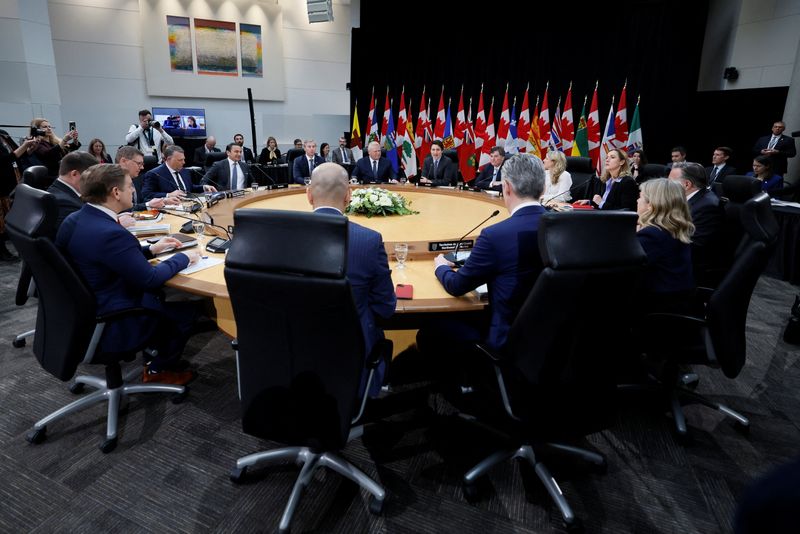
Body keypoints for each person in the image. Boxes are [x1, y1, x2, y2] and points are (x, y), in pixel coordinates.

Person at [56, 164, 201, 385]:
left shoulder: (74, 219)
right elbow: (150, 278)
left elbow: (103, 256)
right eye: (130, 186)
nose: (134, 190)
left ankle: (155, 355)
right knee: (187, 310)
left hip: (80, 313)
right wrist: (183, 258)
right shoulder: (111, 233)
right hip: (114, 317)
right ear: (115, 192)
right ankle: (159, 369)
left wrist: (151, 250)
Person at [421, 154, 547, 353]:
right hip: (553, 337)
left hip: (507, 340)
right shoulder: (566, 228)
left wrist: (441, 267)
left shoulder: (495, 236)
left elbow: (457, 286)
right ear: (544, 188)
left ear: (506, 187)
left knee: (429, 329)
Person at [306, 162, 396, 395]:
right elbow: (386, 307)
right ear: (349, 195)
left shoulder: (282, 237)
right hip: (353, 357)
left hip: (296, 352)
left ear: (308, 194)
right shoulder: (369, 241)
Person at [635, 178, 695, 314]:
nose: (637, 201)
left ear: (651, 205)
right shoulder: (672, 228)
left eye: (640, 197)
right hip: (679, 301)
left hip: (658, 309)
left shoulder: (652, 235)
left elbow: (626, 269)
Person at [668, 162, 727, 286]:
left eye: (670, 182)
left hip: (692, 270)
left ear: (686, 184)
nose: (666, 186)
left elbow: (694, 245)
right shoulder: (693, 199)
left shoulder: (708, 206)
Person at [0, 130, 37, 261]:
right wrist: (24, 146)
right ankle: (2, 251)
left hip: (14, 181)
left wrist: (30, 147)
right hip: (2, 185)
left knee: (11, 217)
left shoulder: (3, 133)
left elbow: (18, 153)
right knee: (1, 221)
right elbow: (4, 160)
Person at [115, 146, 180, 212]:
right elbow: (124, 210)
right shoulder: (112, 182)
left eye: (142, 164)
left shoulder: (135, 179)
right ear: (123, 161)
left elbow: (141, 201)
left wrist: (163, 200)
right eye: (139, 163)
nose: (142, 167)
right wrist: (147, 205)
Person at [142, 145, 216, 201]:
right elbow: (146, 195)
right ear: (168, 159)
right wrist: (168, 195)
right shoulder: (154, 174)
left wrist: (203, 187)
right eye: (180, 160)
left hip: (189, 205)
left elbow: (189, 188)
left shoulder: (184, 171)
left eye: (183, 159)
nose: (183, 162)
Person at [46, 151, 98, 227]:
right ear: (74, 174)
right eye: (92, 178)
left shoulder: (57, 190)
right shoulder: (66, 204)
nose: (94, 183)